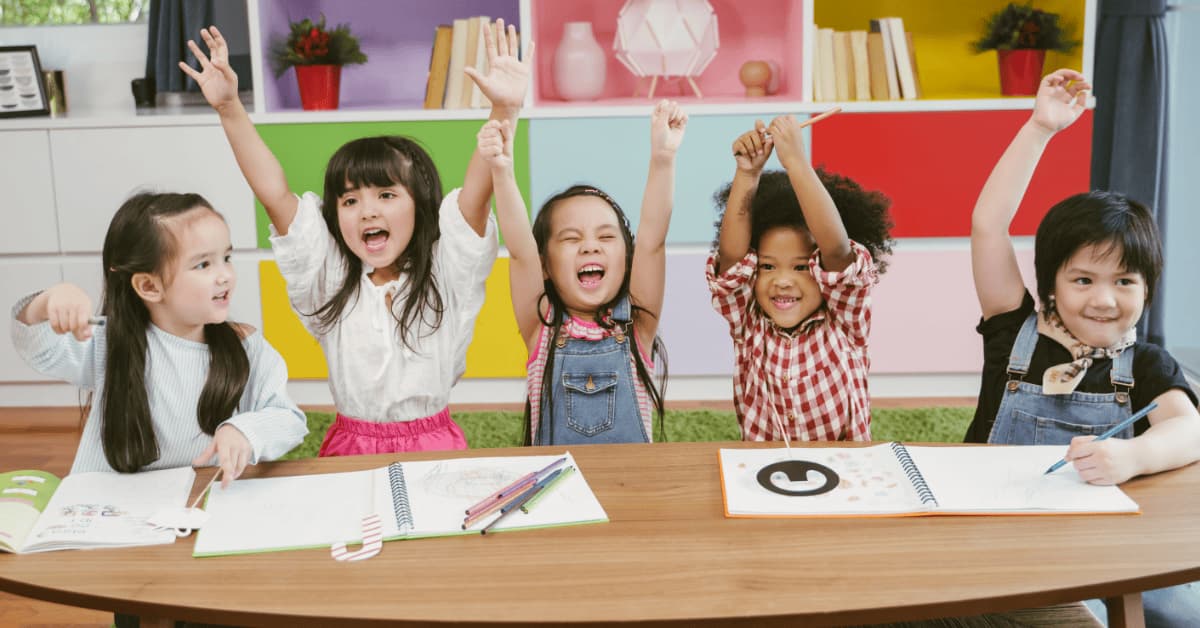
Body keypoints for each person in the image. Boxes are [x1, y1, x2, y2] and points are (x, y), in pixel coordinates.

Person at [182, 23, 530, 454]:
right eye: (350, 200)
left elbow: (476, 200)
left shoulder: (446, 274)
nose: (367, 210)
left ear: (421, 208)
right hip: (352, 444)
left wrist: (503, 108)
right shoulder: (329, 281)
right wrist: (230, 107)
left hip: (433, 443)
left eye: (386, 194)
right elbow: (274, 193)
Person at [968, 68, 1200, 626]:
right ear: (1050, 284)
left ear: (1147, 288)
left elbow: (1189, 428)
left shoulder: (1144, 362)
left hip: (1097, 544)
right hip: (993, 536)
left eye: (1125, 282)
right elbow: (987, 225)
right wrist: (1040, 128)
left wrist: (1133, 456)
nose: (1104, 300)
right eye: (1083, 280)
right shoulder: (1013, 330)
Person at [11, 192, 307, 483]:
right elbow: (37, 347)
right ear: (149, 287)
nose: (225, 275)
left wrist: (246, 430)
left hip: (201, 503)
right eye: (203, 264)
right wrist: (47, 301)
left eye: (226, 257)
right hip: (109, 506)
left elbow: (289, 420)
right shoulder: (109, 342)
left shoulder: (245, 346)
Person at [478, 100, 686, 444]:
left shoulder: (638, 325)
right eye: (571, 238)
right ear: (545, 265)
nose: (590, 246)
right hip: (559, 490)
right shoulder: (540, 326)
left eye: (605, 236)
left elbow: (652, 239)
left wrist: (663, 158)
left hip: (631, 491)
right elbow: (520, 251)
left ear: (627, 259)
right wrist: (502, 170)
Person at [707, 116, 894, 441]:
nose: (782, 281)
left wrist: (796, 164)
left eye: (800, 267)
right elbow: (732, 261)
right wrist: (747, 174)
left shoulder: (846, 322)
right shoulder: (749, 325)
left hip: (844, 471)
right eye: (767, 266)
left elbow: (836, 249)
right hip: (765, 471)